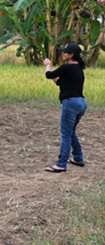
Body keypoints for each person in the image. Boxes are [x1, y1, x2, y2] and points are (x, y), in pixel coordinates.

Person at [43, 43, 87, 173]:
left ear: (71, 55)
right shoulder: (78, 69)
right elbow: (58, 81)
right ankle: (78, 158)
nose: (63, 54)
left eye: (65, 52)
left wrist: (47, 65)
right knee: (71, 131)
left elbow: (49, 75)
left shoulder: (66, 67)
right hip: (81, 103)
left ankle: (61, 164)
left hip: (70, 103)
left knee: (66, 133)